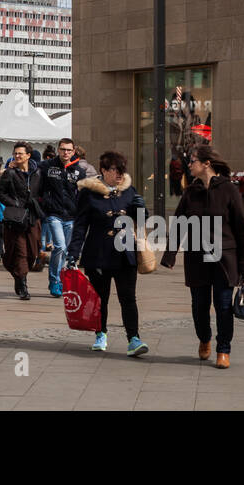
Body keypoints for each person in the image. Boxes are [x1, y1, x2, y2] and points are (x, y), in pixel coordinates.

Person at [160, 144, 244, 369]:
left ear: (206, 164)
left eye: (192, 161)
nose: (188, 165)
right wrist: (170, 255)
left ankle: (224, 350)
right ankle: (204, 338)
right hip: (196, 258)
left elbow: (241, 226)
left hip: (224, 258)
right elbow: (179, 225)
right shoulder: (190, 192)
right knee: (199, 306)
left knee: (223, 305)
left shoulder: (229, 190)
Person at [68, 150, 149, 355]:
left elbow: (141, 219)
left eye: (123, 169)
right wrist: (73, 254)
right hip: (99, 253)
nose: (120, 174)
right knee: (99, 298)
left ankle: (134, 339)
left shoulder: (129, 190)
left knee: (128, 298)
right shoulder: (89, 193)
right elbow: (80, 226)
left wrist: (142, 209)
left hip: (125, 253)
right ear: (103, 170)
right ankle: (100, 333)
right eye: (115, 169)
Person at [35, 137, 94, 297]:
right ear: (58, 150)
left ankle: (59, 280)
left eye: (69, 150)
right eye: (63, 149)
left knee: (65, 250)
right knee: (59, 246)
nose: (65, 152)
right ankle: (55, 280)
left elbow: (83, 193)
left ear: (73, 152)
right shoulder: (47, 166)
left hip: (71, 215)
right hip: (53, 213)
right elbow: (35, 181)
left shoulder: (78, 171)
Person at [0, 142, 44, 299]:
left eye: (20, 153)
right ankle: (23, 285)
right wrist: (14, 203)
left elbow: (43, 193)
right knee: (21, 253)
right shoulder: (10, 173)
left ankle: (19, 275)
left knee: (32, 252)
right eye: (15, 153)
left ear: (28, 155)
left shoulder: (38, 173)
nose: (17, 156)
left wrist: (38, 204)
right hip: (16, 220)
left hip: (32, 218)